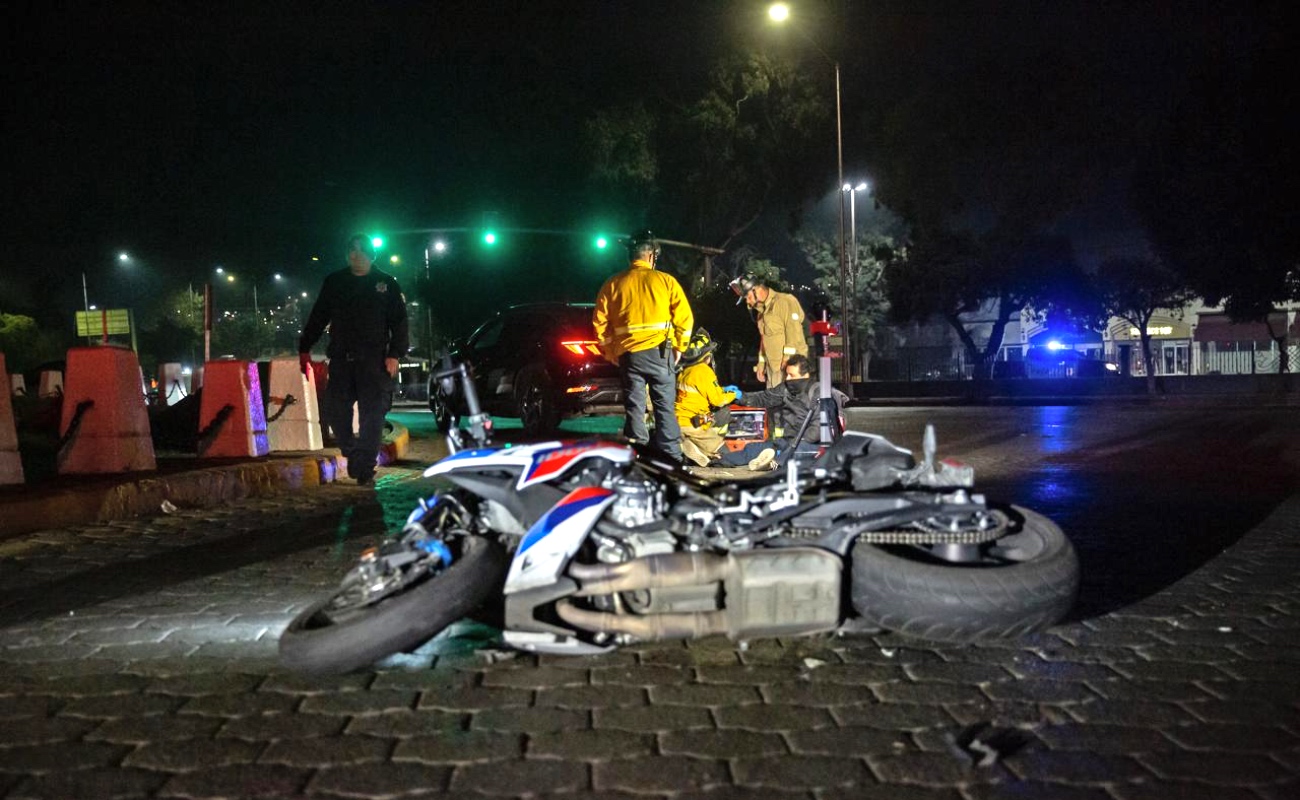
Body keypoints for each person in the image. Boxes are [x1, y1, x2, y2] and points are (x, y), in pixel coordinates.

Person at [298, 234, 409, 486]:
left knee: (373, 417)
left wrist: (394, 354)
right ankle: (353, 453)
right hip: (341, 359)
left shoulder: (386, 283)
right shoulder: (335, 282)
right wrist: (304, 346)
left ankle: (365, 467)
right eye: (352, 250)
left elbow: (400, 322)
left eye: (361, 250)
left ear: (372, 254)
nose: (356, 255)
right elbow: (318, 316)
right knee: (335, 411)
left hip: (375, 362)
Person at [593, 230, 693, 464]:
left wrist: (611, 351)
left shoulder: (613, 283)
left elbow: (600, 322)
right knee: (664, 407)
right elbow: (685, 319)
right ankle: (671, 458)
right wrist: (680, 347)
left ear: (631, 256)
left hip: (629, 357)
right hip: (660, 354)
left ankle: (637, 456)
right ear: (651, 256)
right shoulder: (666, 281)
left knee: (635, 408)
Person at [716, 353, 847, 471]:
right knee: (754, 449)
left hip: (812, 446)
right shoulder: (786, 388)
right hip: (787, 442)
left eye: (792, 375)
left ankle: (774, 463)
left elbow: (816, 432)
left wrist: (788, 449)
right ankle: (718, 459)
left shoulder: (820, 393)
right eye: (787, 374)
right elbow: (764, 398)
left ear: (806, 375)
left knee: (796, 452)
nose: (788, 379)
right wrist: (740, 396)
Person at [729, 273, 809, 388]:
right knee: (772, 399)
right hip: (773, 369)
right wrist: (761, 363)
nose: (748, 302)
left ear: (757, 290)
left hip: (790, 370)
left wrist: (788, 361)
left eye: (748, 297)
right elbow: (764, 340)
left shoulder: (785, 302)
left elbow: (793, 334)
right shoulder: (762, 313)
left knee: (788, 399)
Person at [674, 328, 739, 467]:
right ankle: (713, 452)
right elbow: (718, 401)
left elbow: (701, 392)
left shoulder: (685, 371)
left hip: (678, 422)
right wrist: (734, 394)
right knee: (727, 454)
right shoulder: (704, 371)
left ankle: (691, 447)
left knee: (699, 441)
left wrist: (723, 389)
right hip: (695, 423)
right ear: (707, 356)